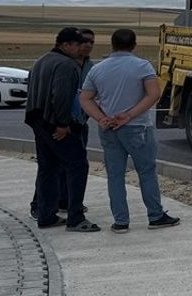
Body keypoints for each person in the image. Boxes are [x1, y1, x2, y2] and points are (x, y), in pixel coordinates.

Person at [80, 28, 180, 232]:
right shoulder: (142, 66)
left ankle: (121, 221)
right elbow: (153, 94)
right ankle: (155, 215)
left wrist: (101, 118)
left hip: (109, 128)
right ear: (134, 45)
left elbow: (85, 98)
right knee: (146, 171)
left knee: (115, 175)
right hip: (137, 127)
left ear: (112, 44)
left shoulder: (98, 69)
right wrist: (130, 115)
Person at [24, 27, 98, 231]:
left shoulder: (42, 60)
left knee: (48, 167)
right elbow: (62, 96)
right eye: (77, 44)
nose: (81, 47)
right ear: (65, 45)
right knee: (77, 165)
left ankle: (46, 215)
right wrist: (63, 124)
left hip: (38, 120)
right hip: (56, 123)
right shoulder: (66, 65)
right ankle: (75, 217)